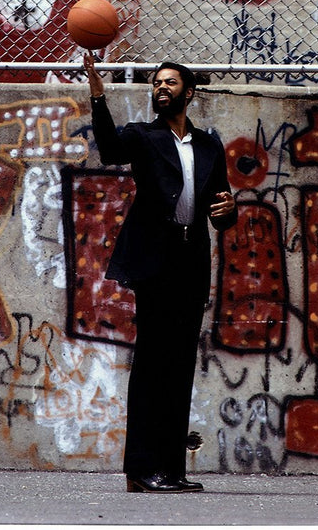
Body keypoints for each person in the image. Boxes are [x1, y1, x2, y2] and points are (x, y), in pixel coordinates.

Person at [83, 51, 237, 493]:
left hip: (191, 259)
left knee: (181, 364)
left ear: (189, 93)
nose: (161, 88)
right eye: (156, 84)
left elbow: (220, 208)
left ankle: (171, 469)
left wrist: (229, 209)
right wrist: (98, 98)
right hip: (156, 260)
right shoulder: (143, 137)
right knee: (153, 364)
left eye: (170, 83)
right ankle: (141, 469)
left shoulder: (208, 145)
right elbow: (111, 149)